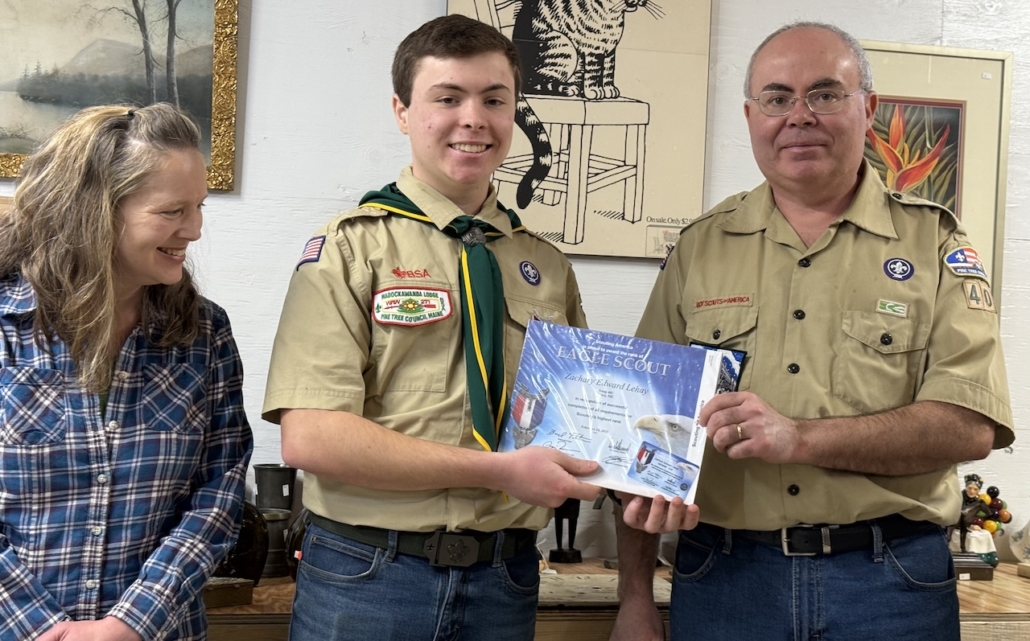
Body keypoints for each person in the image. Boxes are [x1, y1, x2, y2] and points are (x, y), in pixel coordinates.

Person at [610, 21, 1013, 641]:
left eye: (825, 94)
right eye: (776, 98)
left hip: (888, 584)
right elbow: (636, 428)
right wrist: (633, 596)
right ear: (751, 117)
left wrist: (799, 437)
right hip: (724, 578)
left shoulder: (936, 244)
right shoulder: (698, 249)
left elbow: (970, 424)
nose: (798, 116)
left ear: (868, 109)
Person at [262, 15, 599, 641]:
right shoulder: (349, 250)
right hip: (369, 577)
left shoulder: (547, 266)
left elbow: (581, 422)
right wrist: (501, 472)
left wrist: (644, 477)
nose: (473, 119)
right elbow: (311, 439)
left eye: (494, 100)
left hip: (507, 576)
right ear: (402, 110)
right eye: (448, 98)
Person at [0, 104, 253, 641]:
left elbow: (219, 490)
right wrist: (39, 626)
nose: (196, 229)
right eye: (172, 211)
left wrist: (130, 624)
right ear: (92, 210)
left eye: (199, 207)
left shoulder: (204, 335)